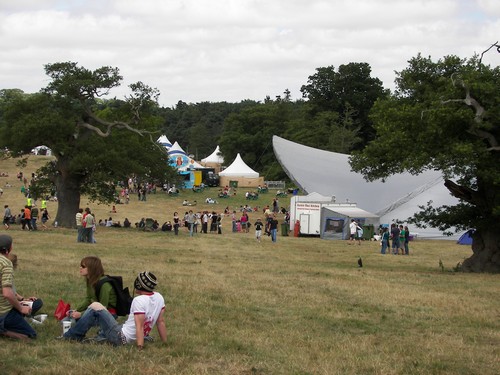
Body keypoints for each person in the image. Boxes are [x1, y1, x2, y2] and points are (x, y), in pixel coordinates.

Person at [62, 271, 167, 349]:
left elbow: (139, 326)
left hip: (121, 338)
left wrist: (140, 347)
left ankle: (71, 336)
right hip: (137, 335)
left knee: (95, 306)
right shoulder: (159, 297)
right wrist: (164, 342)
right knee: (110, 327)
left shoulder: (139, 300)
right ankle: (100, 336)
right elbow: (160, 322)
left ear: (138, 284)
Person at [64, 256, 117, 330]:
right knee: (66, 320)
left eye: (83, 266)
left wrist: (81, 315)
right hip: (96, 311)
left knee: (77, 322)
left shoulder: (104, 285)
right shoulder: (90, 281)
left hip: (108, 315)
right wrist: (76, 310)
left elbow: (102, 309)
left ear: (92, 269)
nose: (80, 268)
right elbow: (89, 299)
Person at [0, 235, 37, 339]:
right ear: (9, 249)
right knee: (30, 335)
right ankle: (3, 331)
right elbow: (7, 293)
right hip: (3, 312)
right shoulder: (5, 263)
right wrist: (21, 308)